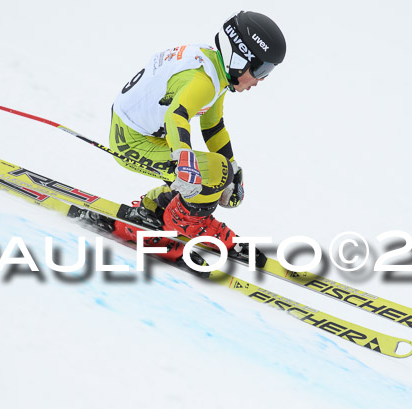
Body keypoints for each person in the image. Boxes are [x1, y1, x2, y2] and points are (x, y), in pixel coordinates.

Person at [102, 11, 286, 263]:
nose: (261, 80)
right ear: (240, 58)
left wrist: (233, 170)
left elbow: (213, 125)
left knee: (221, 171)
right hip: (129, 143)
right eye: (262, 69)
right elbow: (175, 116)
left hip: (140, 133)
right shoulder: (204, 80)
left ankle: (158, 207)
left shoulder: (215, 68)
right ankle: (182, 225)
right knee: (212, 172)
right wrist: (184, 160)